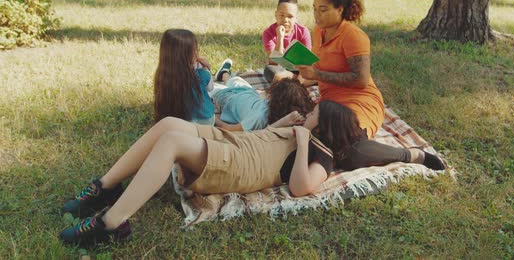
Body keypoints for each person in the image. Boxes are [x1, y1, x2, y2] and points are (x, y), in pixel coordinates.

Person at [59, 101, 444, 247]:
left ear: (324, 125)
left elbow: (301, 188)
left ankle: (112, 224)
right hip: (234, 145)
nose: (307, 113)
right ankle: (105, 188)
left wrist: (303, 139)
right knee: (169, 123)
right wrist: (283, 125)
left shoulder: (321, 153)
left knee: (172, 141)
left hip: (234, 165)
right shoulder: (300, 129)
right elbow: (263, 141)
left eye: (313, 113)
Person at [297, 0, 385, 139]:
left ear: (340, 9)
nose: (316, 15)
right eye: (314, 8)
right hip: (329, 102)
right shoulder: (318, 31)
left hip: (359, 102)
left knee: (347, 137)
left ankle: (410, 155)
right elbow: (321, 68)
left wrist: (316, 74)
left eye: (323, 10)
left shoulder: (353, 36)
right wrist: (299, 78)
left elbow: (361, 80)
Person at [213, 63, 314, 131]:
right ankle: (224, 74)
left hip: (229, 97)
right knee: (235, 80)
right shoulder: (261, 115)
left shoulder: (259, 117)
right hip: (249, 93)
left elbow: (230, 129)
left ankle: (223, 74)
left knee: (212, 87)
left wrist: (214, 119)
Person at [153, 29, 215, 125]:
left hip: (177, 122)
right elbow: (210, 88)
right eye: (195, 50)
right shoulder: (201, 74)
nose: (197, 53)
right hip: (205, 121)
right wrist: (207, 68)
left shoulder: (164, 75)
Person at [262, 0, 312, 83]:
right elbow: (274, 62)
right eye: (282, 15)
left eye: (290, 16)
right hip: (281, 70)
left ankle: (294, 82)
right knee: (269, 71)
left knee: (317, 71)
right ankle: (299, 82)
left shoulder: (303, 31)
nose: (285, 20)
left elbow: (308, 61)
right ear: (276, 14)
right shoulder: (268, 33)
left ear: (296, 18)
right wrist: (280, 38)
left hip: (300, 70)